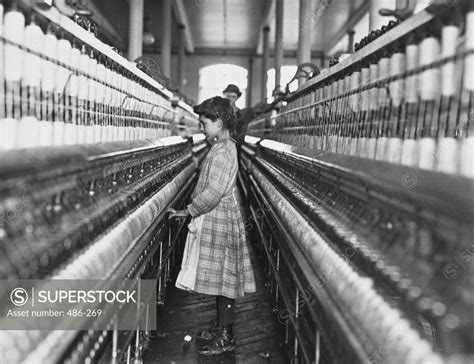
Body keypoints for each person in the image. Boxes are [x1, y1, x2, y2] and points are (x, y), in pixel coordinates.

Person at [168, 96, 256, 355]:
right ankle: (221, 328)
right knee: (221, 279)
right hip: (219, 217)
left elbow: (215, 191)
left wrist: (188, 211)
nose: (201, 127)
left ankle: (226, 336)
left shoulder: (224, 150)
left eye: (204, 122)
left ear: (218, 122)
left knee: (225, 282)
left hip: (219, 218)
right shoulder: (223, 147)